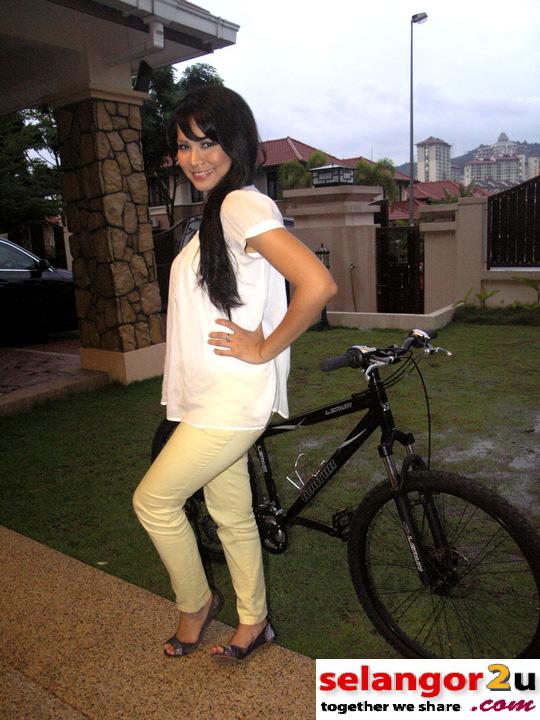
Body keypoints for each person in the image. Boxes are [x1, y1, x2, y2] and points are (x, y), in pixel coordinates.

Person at [133, 85, 337, 662]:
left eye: (208, 142)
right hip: (210, 398)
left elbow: (317, 284)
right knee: (231, 514)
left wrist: (264, 346)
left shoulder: (238, 206)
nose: (194, 158)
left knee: (154, 502)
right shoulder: (219, 211)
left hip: (230, 401)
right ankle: (255, 621)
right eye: (184, 146)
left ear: (236, 143)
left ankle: (196, 604)